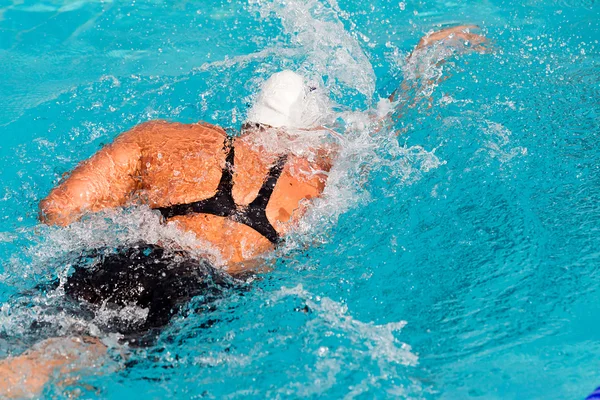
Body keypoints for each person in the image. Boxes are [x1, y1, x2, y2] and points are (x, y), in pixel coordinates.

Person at [0, 25, 487, 398]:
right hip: (196, 285)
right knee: (67, 362)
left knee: (29, 335)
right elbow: (386, 128)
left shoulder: (165, 137)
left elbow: (57, 210)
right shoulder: (313, 180)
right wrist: (426, 61)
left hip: (127, 253)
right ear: (306, 136)